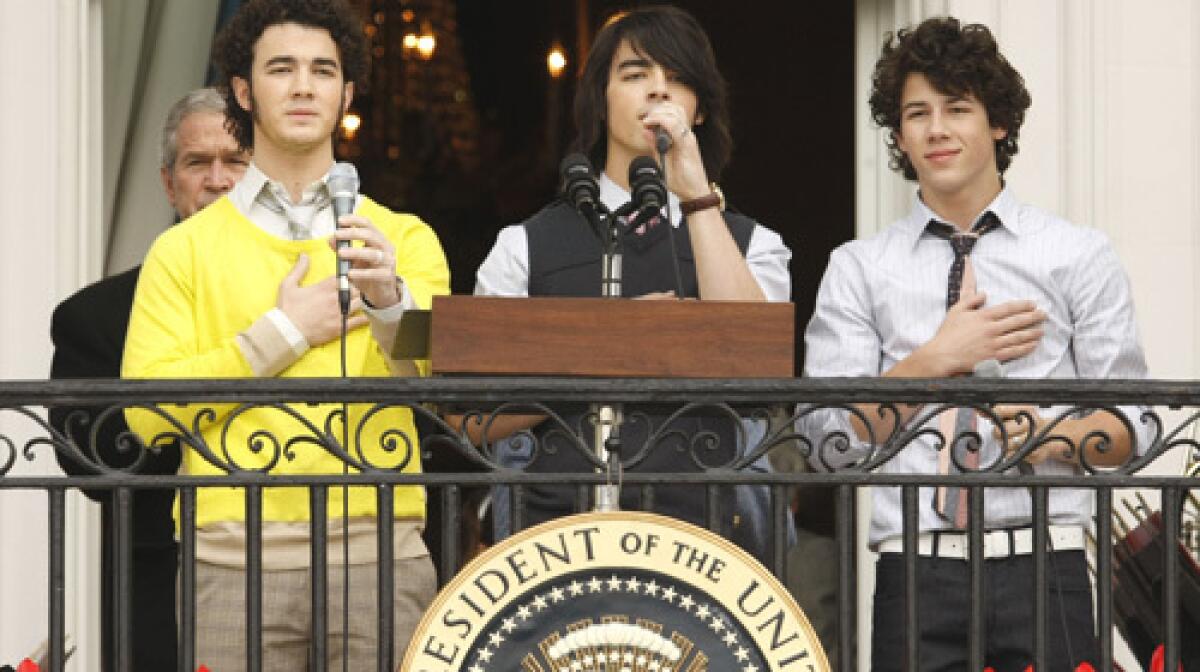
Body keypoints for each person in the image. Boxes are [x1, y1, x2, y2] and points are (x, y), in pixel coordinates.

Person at [800, 16, 1149, 670]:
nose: (936, 129)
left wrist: (1050, 435)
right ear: (898, 137)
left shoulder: (1076, 254)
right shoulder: (859, 267)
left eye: (957, 108)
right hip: (916, 571)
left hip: (1048, 564)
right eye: (916, 113)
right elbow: (823, 441)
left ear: (998, 123)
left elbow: (1135, 424)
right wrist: (935, 360)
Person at [121, 0, 450, 669]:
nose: (303, 85)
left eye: (322, 71)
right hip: (231, 562)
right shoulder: (182, 251)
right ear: (244, 91)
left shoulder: (404, 238)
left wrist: (390, 302)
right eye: (281, 68)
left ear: (346, 92)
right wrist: (283, 333)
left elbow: (446, 386)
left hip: (380, 553)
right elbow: (144, 413)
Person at [472, 5, 791, 560]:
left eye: (678, 79)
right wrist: (617, 345)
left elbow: (756, 375)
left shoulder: (753, 242)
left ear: (700, 110)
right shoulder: (523, 244)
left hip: (706, 550)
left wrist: (695, 195)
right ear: (600, 97)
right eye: (636, 74)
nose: (658, 92)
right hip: (552, 547)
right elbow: (475, 416)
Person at [48, 87, 248, 672]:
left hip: (306, 577)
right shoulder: (94, 316)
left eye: (236, 161)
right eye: (197, 163)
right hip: (161, 590)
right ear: (169, 184)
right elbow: (91, 464)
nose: (218, 179)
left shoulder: (313, 300)